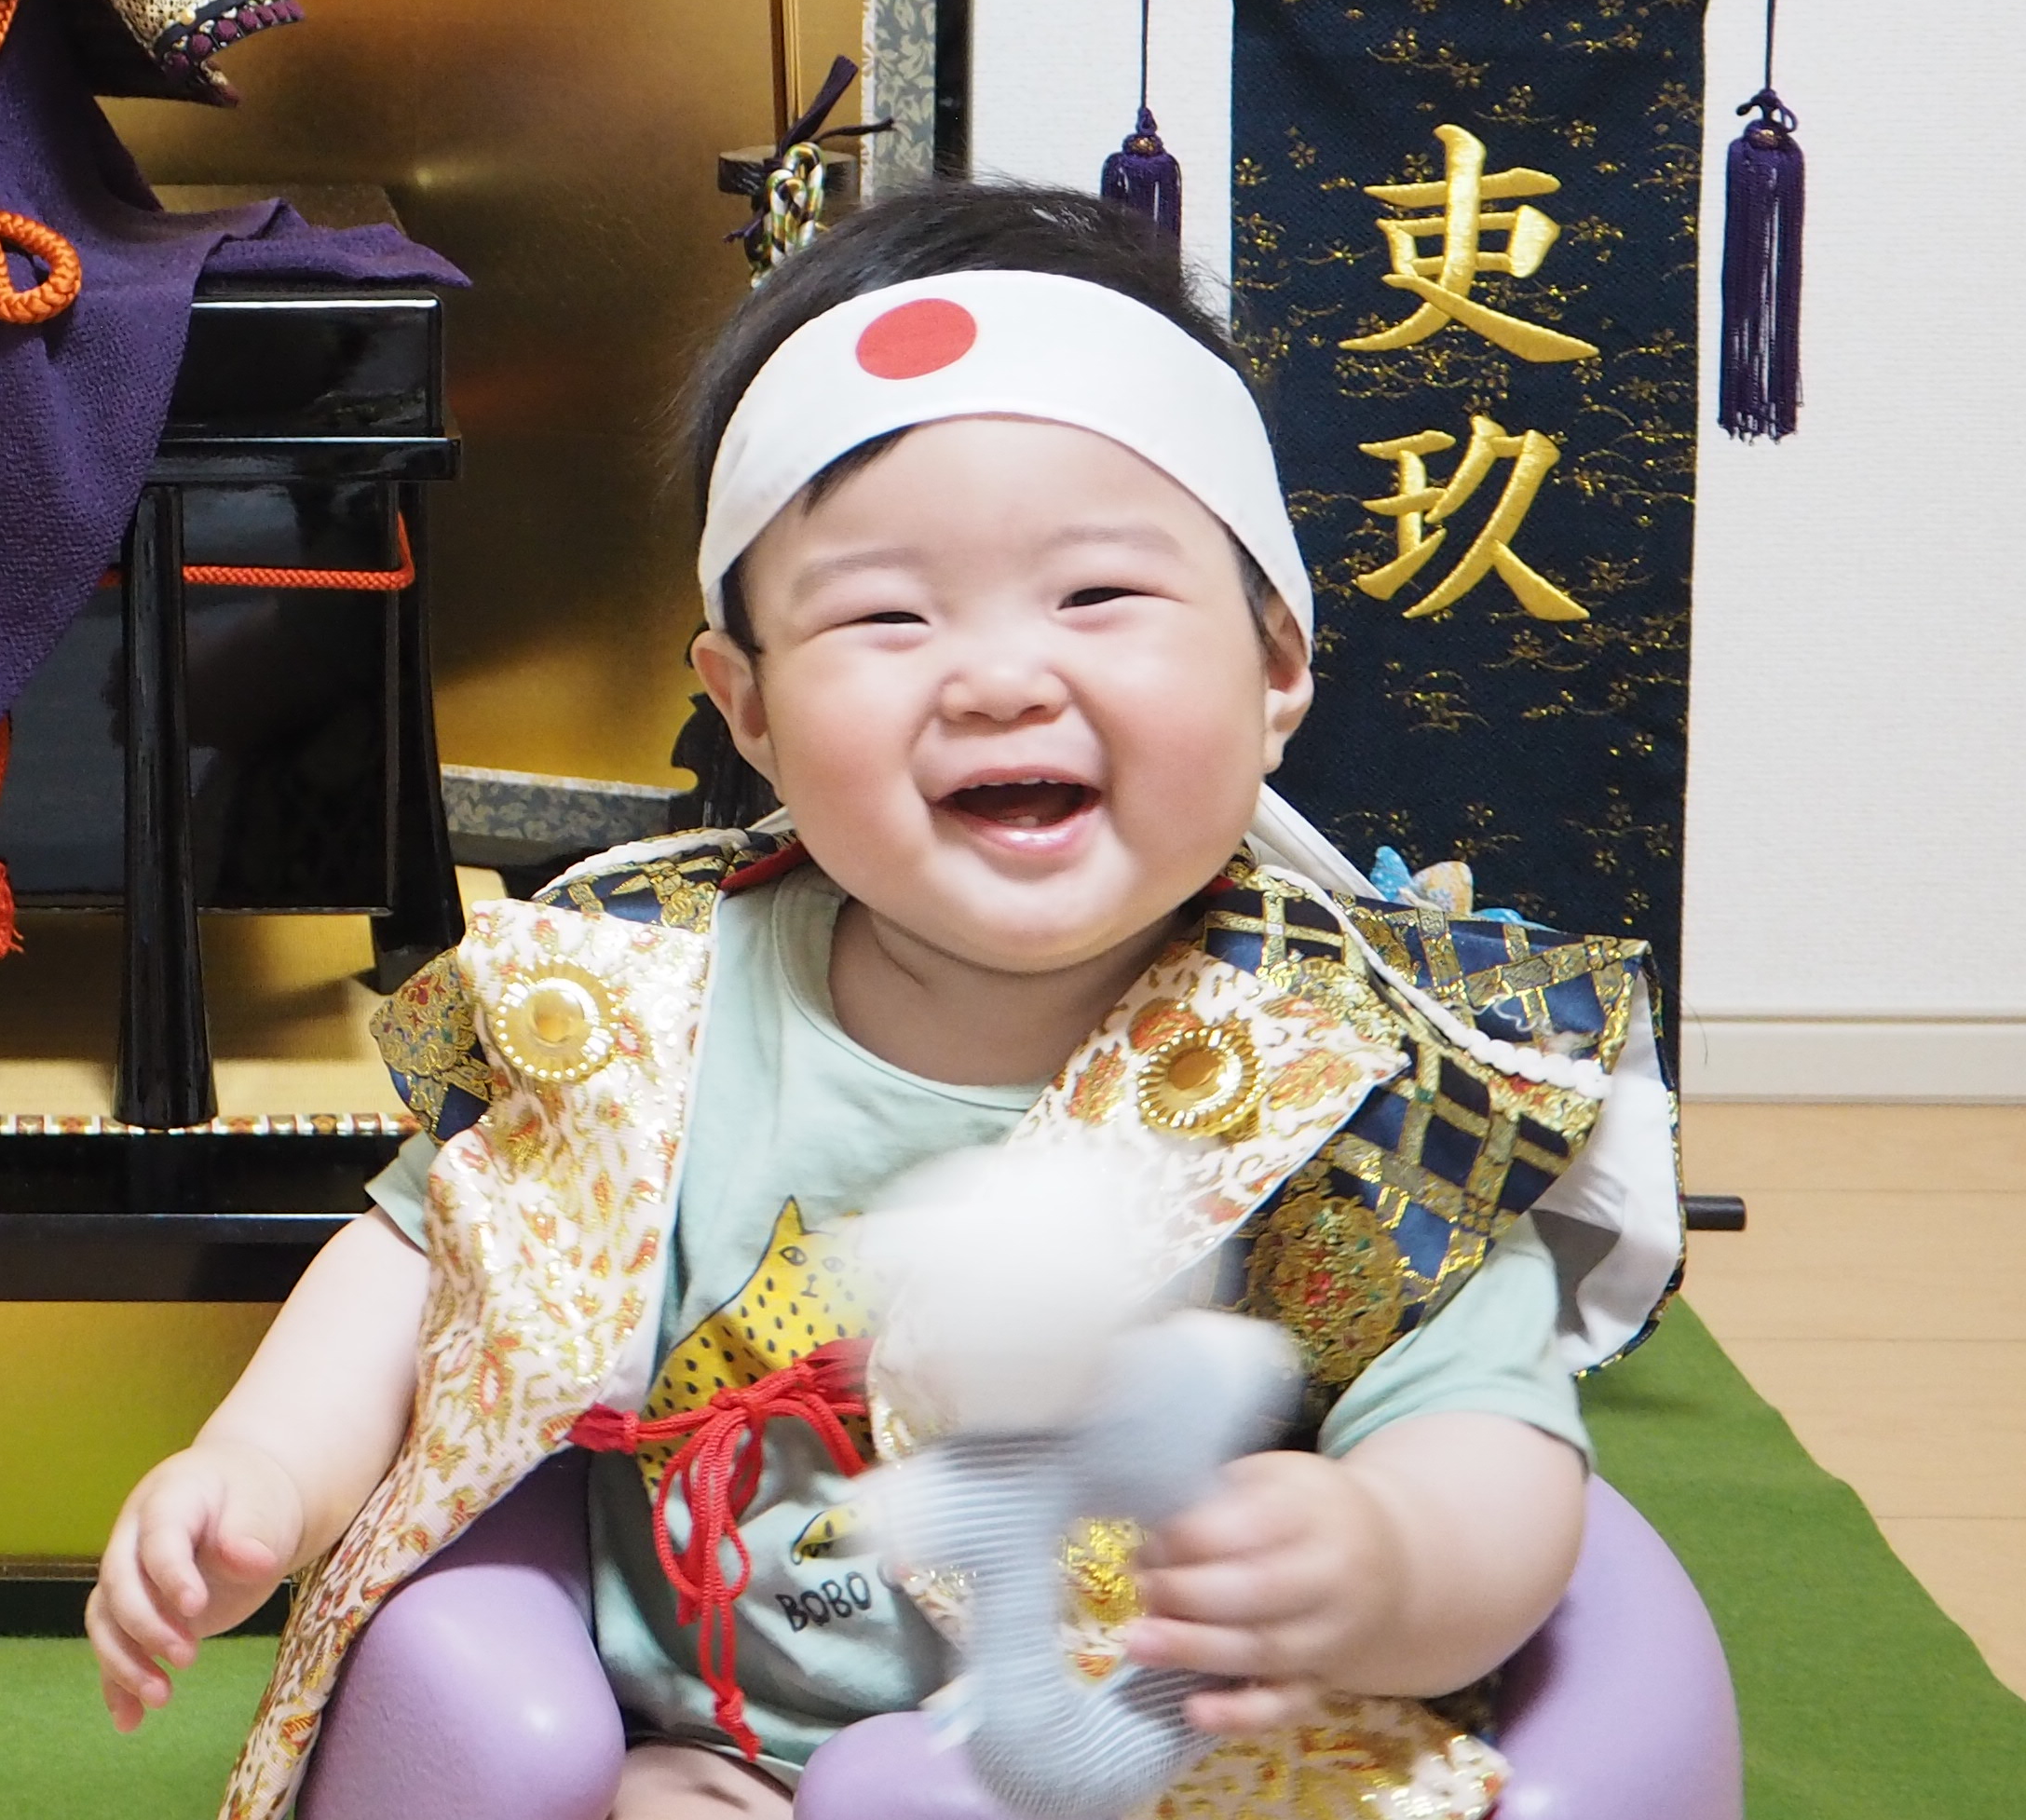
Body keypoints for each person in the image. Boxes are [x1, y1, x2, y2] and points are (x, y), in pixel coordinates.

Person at [86, 183, 1682, 1818]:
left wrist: (1386, 1558)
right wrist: (261, 1469)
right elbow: (423, 1258)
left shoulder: (1355, 1074)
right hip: (695, 1736)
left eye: (1097, 596)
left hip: (1124, 1767)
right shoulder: (642, 997)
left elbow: (1491, 1446)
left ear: (1276, 663)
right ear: (751, 708)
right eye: (886, 616)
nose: (997, 678)